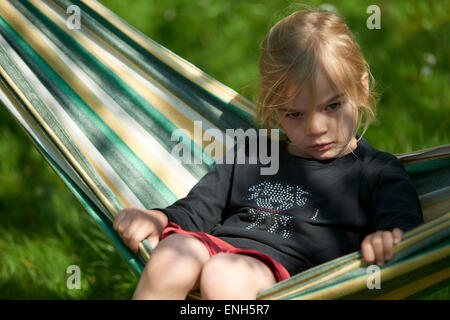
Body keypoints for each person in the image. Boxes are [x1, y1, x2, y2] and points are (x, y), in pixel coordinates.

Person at [113, 7, 423, 300]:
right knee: (171, 256)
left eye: (332, 106)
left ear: (362, 87)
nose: (316, 128)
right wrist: (160, 217)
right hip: (220, 247)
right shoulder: (255, 152)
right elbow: (198, 209)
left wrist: (387, 238)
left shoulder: (376, 171)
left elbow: (406, 228)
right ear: (274, 109)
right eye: (294, 114)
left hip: (291, 279)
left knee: (224, 276)